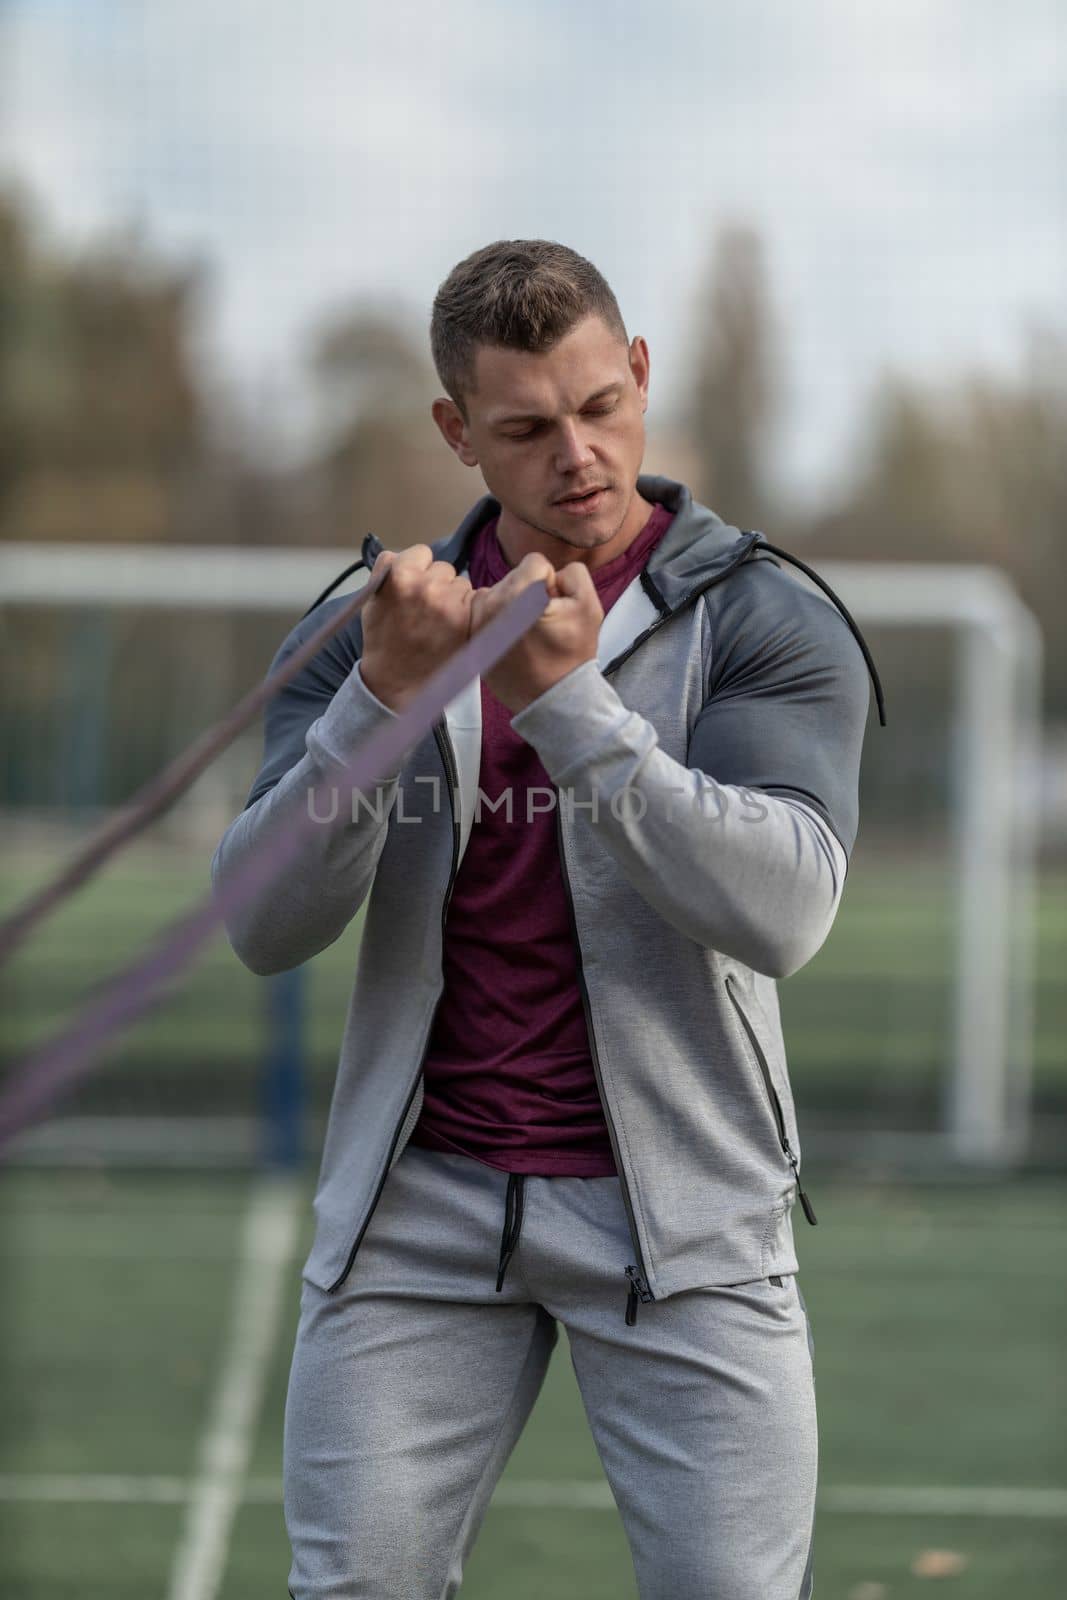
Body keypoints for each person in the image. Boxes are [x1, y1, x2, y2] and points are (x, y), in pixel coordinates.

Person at [210, 238, 885, 1599]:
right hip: (419, 1213)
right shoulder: (371, 631)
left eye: (600, 407)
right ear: (458, 431)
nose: (577, 454)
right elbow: (261, 923)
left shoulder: (760, 618)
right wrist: (374, 704)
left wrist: (574, 710)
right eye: (525, 427)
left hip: (687, 1223)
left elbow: (788, 911)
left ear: (639, 374)